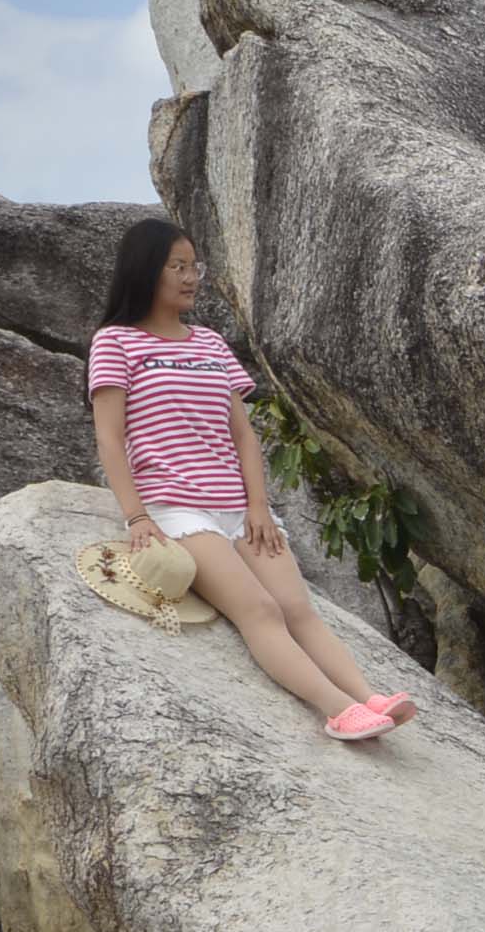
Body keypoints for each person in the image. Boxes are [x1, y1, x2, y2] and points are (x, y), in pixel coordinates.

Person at [86, 220, 410, 742]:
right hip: (176, 508)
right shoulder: (115, 342)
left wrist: (259, 506)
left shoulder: (211, 343)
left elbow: (244, 437)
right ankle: (337, 710)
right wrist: (137, 516)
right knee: (257, 609)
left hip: (239, 506)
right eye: (179, 267)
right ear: (146, 271)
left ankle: (367, 696)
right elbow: (109, 438)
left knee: (296, 607)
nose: (192, 277)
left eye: (196, 266)